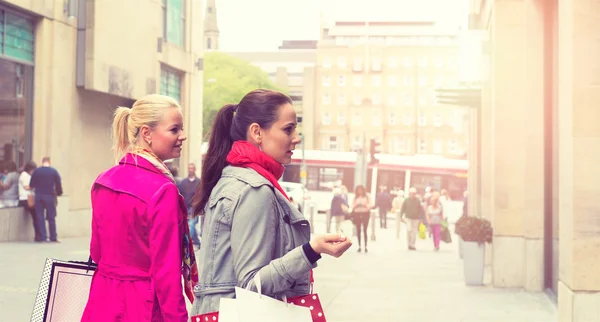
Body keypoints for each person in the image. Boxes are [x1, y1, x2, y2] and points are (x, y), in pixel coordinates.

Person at [190, 89, 352, 316]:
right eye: (288, 129)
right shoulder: (254, 189)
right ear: (256, 132)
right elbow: (251, 284)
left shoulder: (233, 177)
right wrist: (312, 250)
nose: (296, 138)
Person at [82, 94, 197, 322]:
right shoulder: (163, 189)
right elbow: (167, 273)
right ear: (146, 133)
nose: (183, 136)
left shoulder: (103, 180)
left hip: (102, 301)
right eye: (174, 129)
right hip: (143, 306)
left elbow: (96, 251)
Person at [30, 157, 62, 242]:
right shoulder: (53, 171)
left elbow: (31, 184)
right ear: (49, 162)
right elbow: (58, 183)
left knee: (40, 217)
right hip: (49, 196)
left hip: (39, 196)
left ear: (42, 162)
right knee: (51, 217)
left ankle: (43, 237)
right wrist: (59, 193)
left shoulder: (37, 171)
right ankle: (53, 237)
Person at [178, 163, 201, 247]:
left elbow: (201, 195)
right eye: (189, 168)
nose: (190, 170)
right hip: (185, 207)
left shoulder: (199, 182)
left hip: (194, 208)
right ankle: (197, 242)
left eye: (192, 168)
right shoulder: (183, 182)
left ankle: (186, 245)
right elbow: (179, 194)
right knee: (189, 225)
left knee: (190, 225)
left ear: (194, 169)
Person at [18, 161, 39, 241]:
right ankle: (37, 235)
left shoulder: (27, 175)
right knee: (36, 216)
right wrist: (35, 186)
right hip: (25, 198)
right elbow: (26, 187)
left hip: (28, 198)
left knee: (36, 216)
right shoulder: (24, 175)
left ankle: (38, 235)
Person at [352, 185, 371, 253]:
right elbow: (352, 205)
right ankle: (359, 246)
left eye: (361, 190)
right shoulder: (355, 197)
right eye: (358, 190)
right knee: (358, 230)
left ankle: (365, 246)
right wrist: (356, 205)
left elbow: (370, 205)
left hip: (365, 214)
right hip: (357, 214)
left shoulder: (367, 197)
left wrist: (365, 205)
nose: (360, 191)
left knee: (365, 230)